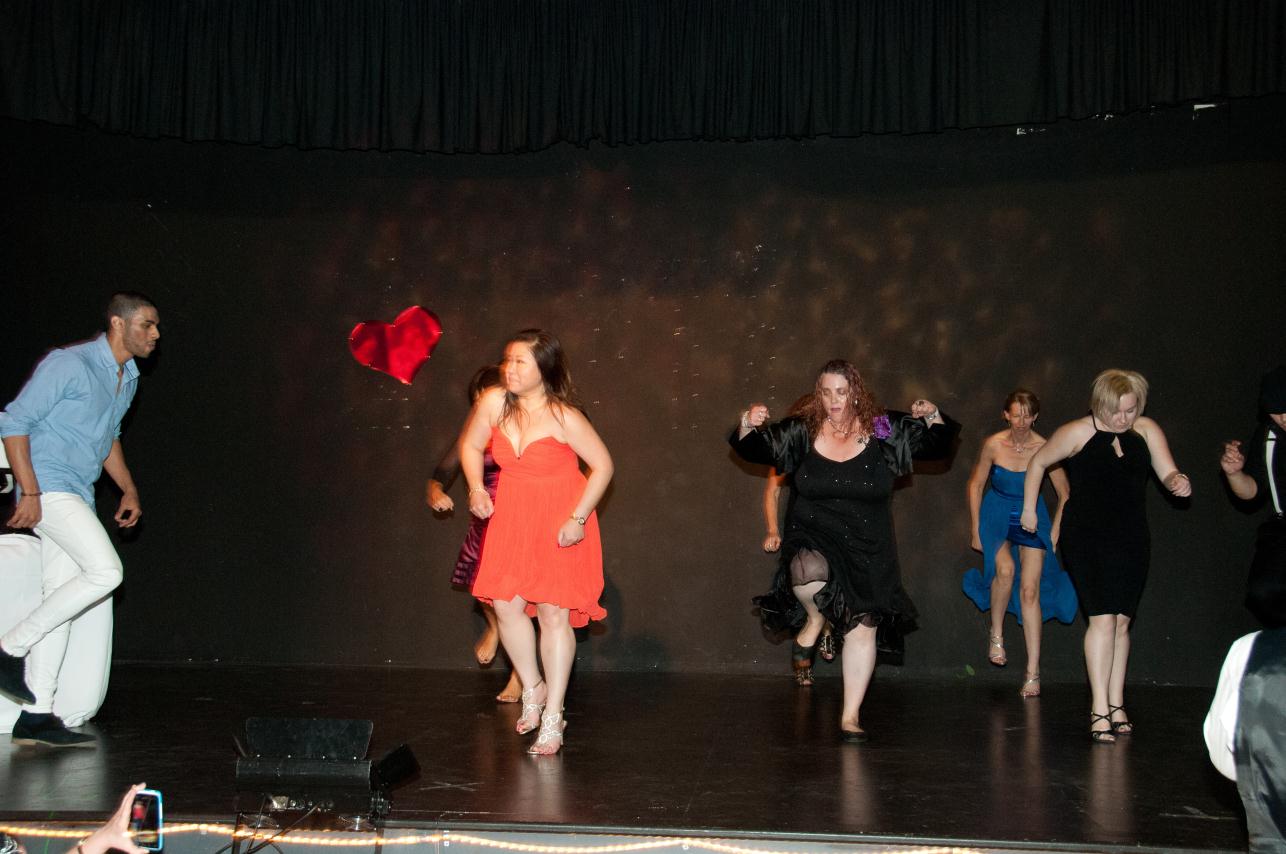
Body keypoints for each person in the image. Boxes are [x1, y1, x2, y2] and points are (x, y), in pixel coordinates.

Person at [731, 360, 958, 742]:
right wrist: (748, 422)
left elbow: (935, 445)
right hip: (814, 531)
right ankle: (819, 615)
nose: (834, 400)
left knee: (862, 626)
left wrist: (933, 414)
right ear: (818, 395)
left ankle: (850, 716)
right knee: (807, 570)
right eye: (826, 392)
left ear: (855, 392)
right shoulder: (804, 430)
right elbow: (756, 447)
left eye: (841, 391)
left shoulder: (879, 427)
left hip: (869, 541)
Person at [0, 293, 160, 748]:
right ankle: (10, 647)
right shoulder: (69, 364)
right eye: (147, 325)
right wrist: (30, 491)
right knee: (107, 572)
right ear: (118, 323)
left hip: (79, 491)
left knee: (61, 598)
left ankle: (37, 714)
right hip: (49, 486)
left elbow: (108, 438)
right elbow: (13, 422)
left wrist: (128, 488)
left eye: (156, 327)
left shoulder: (127, 378)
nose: (155, 335)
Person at [460, 329, 612, 755]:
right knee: (504, 604)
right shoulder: (494, 402)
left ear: (544, 368)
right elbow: (470, 445)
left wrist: (578, 518)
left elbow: (603, 466)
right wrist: (476, 488)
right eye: (507, 360)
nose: (509, 368)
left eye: (520, 361)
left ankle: (554, 714)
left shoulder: (564, 416)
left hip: (559, 518)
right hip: (512, 516)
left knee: (552, 613)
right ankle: (533, 687)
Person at [1020, 369, 1191, 743]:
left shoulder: (1146, 431)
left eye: (1131, 410)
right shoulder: (1076, 432)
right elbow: (1038, 463)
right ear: (1100, 404)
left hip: (1131, 537)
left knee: (1121, 622)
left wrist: (1177, 481)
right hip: (1086, 537)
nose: (1123, 418)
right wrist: (1029, 509)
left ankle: (1117, 704)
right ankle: (1099, 708)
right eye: (1117, 411)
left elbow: (1168, 471)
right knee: (1101, 619)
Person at [962, 389, 1077, 697]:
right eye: (1016, 415)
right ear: (1006, 415)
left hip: (1031, 515)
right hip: (997, 513)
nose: (1022, 421)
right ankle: (997, 634)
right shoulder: (993, 444)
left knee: (1030, 590)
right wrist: (975, 528)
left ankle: (1033, 672)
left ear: (1035, 417)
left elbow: (1065, 493)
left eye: (1028, 416)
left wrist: (1055, 531)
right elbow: (975, 484)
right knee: (1005, 570)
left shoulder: (1045, 448)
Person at [426, 364, 522, 703]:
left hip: (519, 520)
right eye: (478, 401)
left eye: (489, 398)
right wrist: (435, 491)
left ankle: (520, 675)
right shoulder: (474, 433)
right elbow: (442, 471)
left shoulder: (524, 428)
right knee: (481, 588)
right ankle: (494, 629)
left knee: (519, 601)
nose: (484, 406)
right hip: (485, 519)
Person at [1219, 365, 1286, 628]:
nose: (1283, 418)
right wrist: (1234, 473)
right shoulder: (1269, 435)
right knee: (1263, 591)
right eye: (1277, 411)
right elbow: (1252, 491)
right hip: (1282, 526)